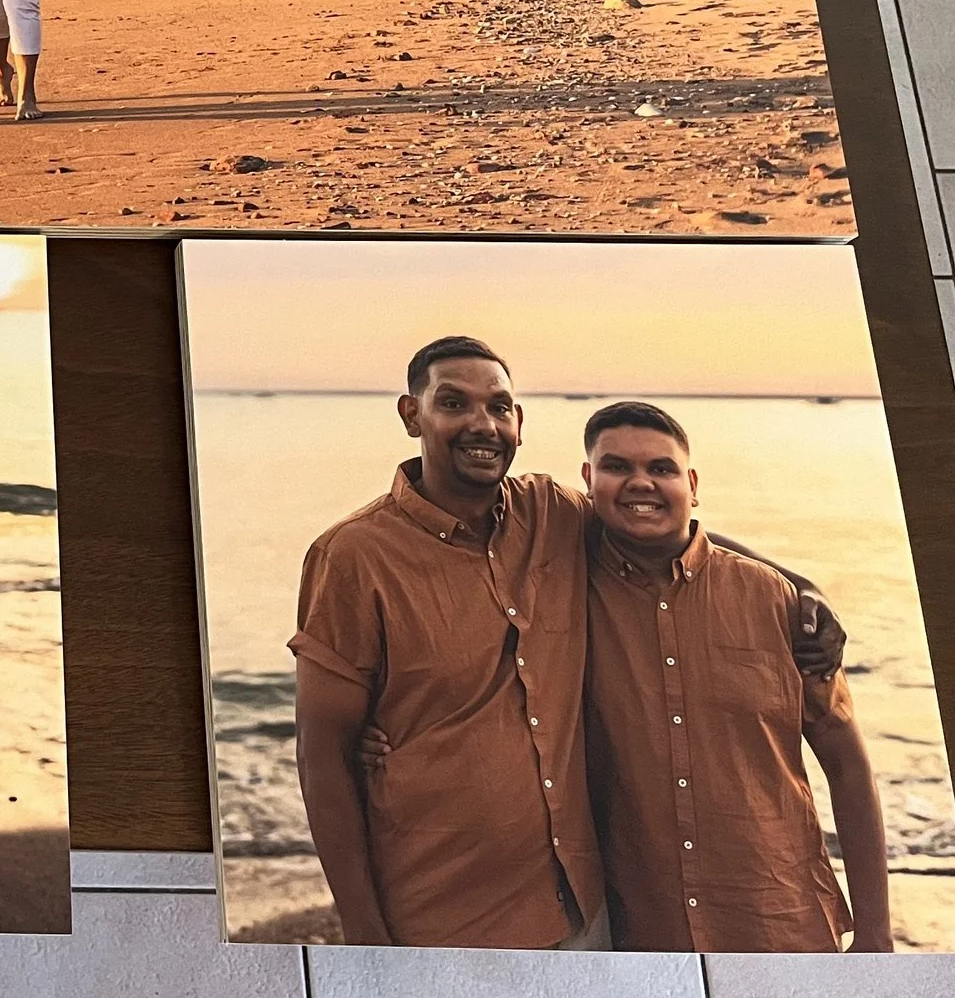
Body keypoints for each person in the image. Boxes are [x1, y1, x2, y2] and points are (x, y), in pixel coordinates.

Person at [291, 337, 845, 948]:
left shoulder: (550, 513)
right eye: (454, 403)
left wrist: (800, 588)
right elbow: (323, 758)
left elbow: (661, 529)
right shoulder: (353, 556)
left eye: (500, 407)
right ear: (411, 414)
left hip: (580, 903)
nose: (483, 424)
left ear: (520, 424)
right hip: (440, 912)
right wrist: (366, 937)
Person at [578, 401, 890, 952]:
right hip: (639, 934)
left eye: (662, 468)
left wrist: (876, 935)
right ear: (588, 480)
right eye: (617, 467)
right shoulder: (560, 592)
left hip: (780, 922)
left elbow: (847, 766)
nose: (640, 483)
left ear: (692, 483)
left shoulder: (778, 603)